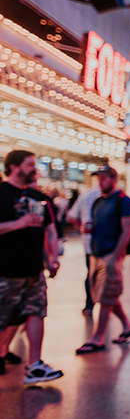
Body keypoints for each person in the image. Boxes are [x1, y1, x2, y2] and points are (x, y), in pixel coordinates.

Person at [0, 150, 63, 383]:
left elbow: (47, 230)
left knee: (37, 312)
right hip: (5, 270)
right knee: (4, 319)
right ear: (14, 167)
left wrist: (51, 258)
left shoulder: (38, 197)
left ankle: (34, 365)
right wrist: (18, 223)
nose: (34, 169)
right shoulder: (1, 193)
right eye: (29, 165)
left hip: (33, 270)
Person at [76, 165, 130, 354]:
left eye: (104, 178)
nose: (100, 182)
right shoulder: (99, 201)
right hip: (96, 253)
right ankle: (127, 325)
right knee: (106, 294)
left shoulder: (123, 201)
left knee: (104, 297)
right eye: (99, 178)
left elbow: (127, 229)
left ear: (113, 179)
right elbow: (97, 224)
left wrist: (116, 255)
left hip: (111, 255)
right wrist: (89, 229)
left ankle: (97, 338)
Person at [67, 183, 103, 315]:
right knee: (105, 275)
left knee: (91, 274)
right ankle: (105, 305)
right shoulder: (110, 197)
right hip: (107, 243)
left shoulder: (85, 196)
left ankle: (89, 305)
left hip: (89, 242)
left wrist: (81, 227)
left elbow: (72, 215)